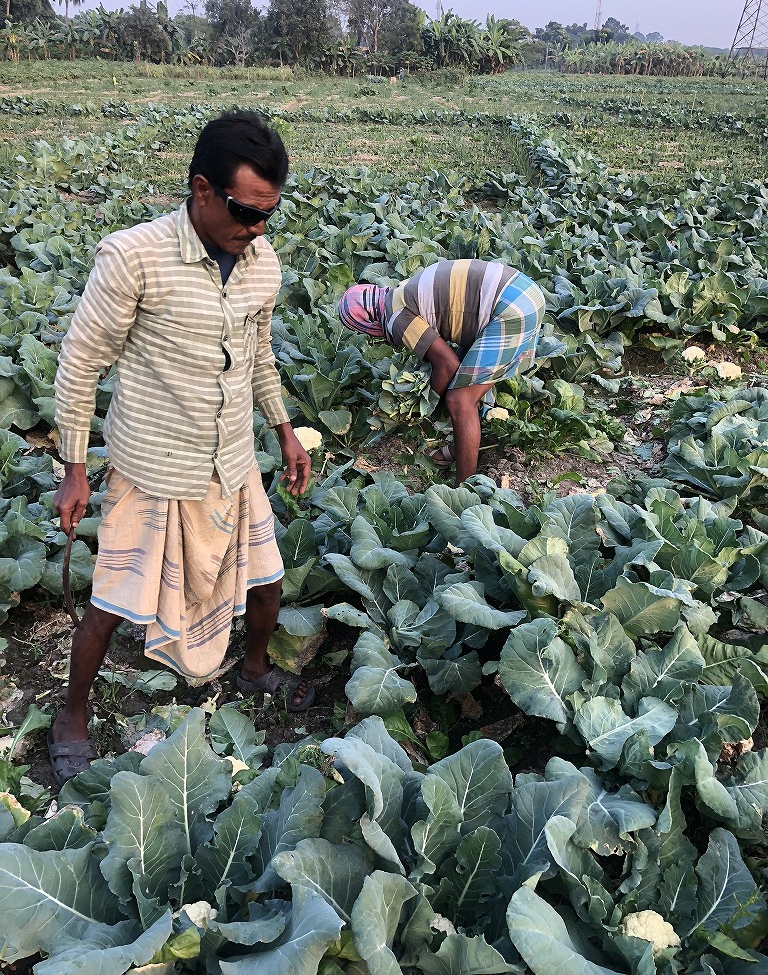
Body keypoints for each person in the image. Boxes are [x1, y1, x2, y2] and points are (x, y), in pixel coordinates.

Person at [49, 110, 314, 787]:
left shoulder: (262, 264)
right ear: (200, 189)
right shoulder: (133, 257)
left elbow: (259, 358)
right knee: (110, 603)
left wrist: (283, 430)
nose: (254, 229)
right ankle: (72, 716)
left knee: (266, 577)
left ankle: (253, 671)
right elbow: (80, 364)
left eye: (267, 215)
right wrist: (75, 470)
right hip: (154, 465)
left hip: (230, 457)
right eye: (243, 211)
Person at [338, 259, 546, 483]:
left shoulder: (395, 316)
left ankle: (465, 487)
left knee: (459, 401)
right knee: (466, 383)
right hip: (523, 290)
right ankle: (459, 451)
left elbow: (448, 364)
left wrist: (427, 403)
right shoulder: (399, 292)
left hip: (511, 308)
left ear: (365, 321)